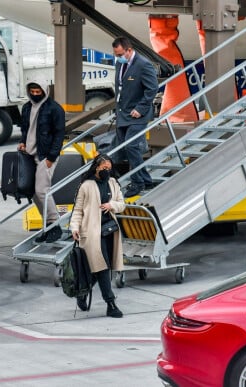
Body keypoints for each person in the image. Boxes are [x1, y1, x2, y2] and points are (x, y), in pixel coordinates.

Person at [70, 154, 126, 318]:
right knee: (102, 267)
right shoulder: (86, 186)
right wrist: (74, 227)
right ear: (96, 168)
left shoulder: (113, 183)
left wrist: (111, 205)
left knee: (100, 267)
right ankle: (111, 303)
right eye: (103, 168)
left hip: (109, 231)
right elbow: (78, 210)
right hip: (92, 233)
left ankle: (82, 293)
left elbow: (122, 204)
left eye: (109, 168)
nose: (107, 171)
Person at [18, 82, 65, 243]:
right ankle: (47, 226)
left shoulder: (54, 109)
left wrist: (52, 157)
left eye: (38, 91)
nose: (35, 94)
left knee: (42, 190)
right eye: (32, 91)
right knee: (33, 192)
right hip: (30, 154)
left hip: (46, 156)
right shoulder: (26, 108)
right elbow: (25, 129)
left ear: (45, 91)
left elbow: (59, 134)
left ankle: (55, 225)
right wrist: (23, 142)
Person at [112, 36, 158, 197]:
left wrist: (141, 108)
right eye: (116, 55)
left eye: (119, 54)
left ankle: (137, 182)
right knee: (124, 148)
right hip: (123, 112)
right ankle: (145, 179)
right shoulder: (120, 64)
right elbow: (120, 87)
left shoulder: (144, 65)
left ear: (129, 50)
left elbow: (152, 88)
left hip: (138, 114)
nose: (118, 58)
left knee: (131, 146)